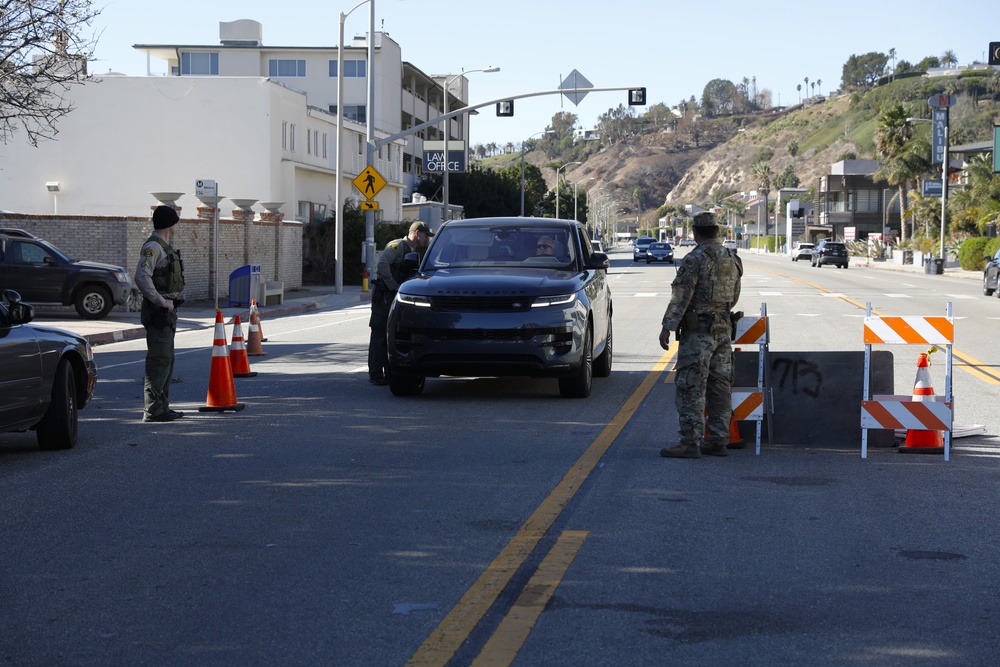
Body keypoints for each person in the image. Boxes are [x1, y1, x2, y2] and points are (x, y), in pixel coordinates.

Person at [658, 212, 743, 458]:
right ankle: (718, 440)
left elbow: (681, 296)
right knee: (719, 386)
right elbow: (734, 295)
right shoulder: (732, 258)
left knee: (691, 386)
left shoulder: (694, 259)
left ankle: (689, 442)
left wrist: (667, 327)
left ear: (695, 232)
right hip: (724, 330)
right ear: (717, 231)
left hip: (698, 333)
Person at [134, 205, 186, 422]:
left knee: (167, 360)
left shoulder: (163, 245)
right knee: (159, 360)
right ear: (168, 223)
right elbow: (141, 276)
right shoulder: (153, 247)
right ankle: (153, 410)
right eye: (175, 220)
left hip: (167, 311)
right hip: (158, 312)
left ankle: (162, 407)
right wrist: (161, 301)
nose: (178, 224)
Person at [368, 221, 434, 385]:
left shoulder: (412, 251)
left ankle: (388, 374)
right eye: (426, 236)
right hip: (385, 297)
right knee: (380, 335)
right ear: (417, 233)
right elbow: (382, 265)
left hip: (394, 297)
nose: (427, 240)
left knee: (391, 336)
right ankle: (376, 374)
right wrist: (394, 286)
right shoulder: (397, 246)